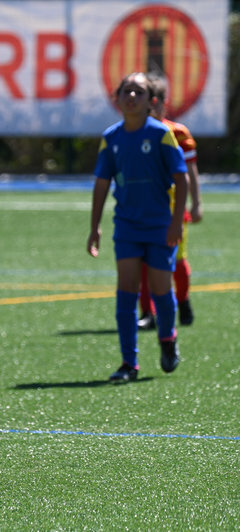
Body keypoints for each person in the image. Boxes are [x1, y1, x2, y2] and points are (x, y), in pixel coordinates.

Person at [87, 72, 188, 383]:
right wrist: (95, 227)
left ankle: (167, 339)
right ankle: (129, 363)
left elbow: (181, 178)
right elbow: (102, 182)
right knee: (126, 291)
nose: (131, 96)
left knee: (161, 290)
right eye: (127, 91)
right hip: (127, 226)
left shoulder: (161, 134)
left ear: (151, 101)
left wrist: (176, 223)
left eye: (139, 92)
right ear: (117, 99)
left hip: (159, 226)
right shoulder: (111, 137)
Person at [137, 73, 203, 330]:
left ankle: (183, 300)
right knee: (143, 261)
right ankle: (148, 313)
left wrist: (196, 203)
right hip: (143, 209)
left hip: (173, 210)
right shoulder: (132, 132)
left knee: (175, 261)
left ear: (160, 103)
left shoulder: (177, 133)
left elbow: (190, 171)